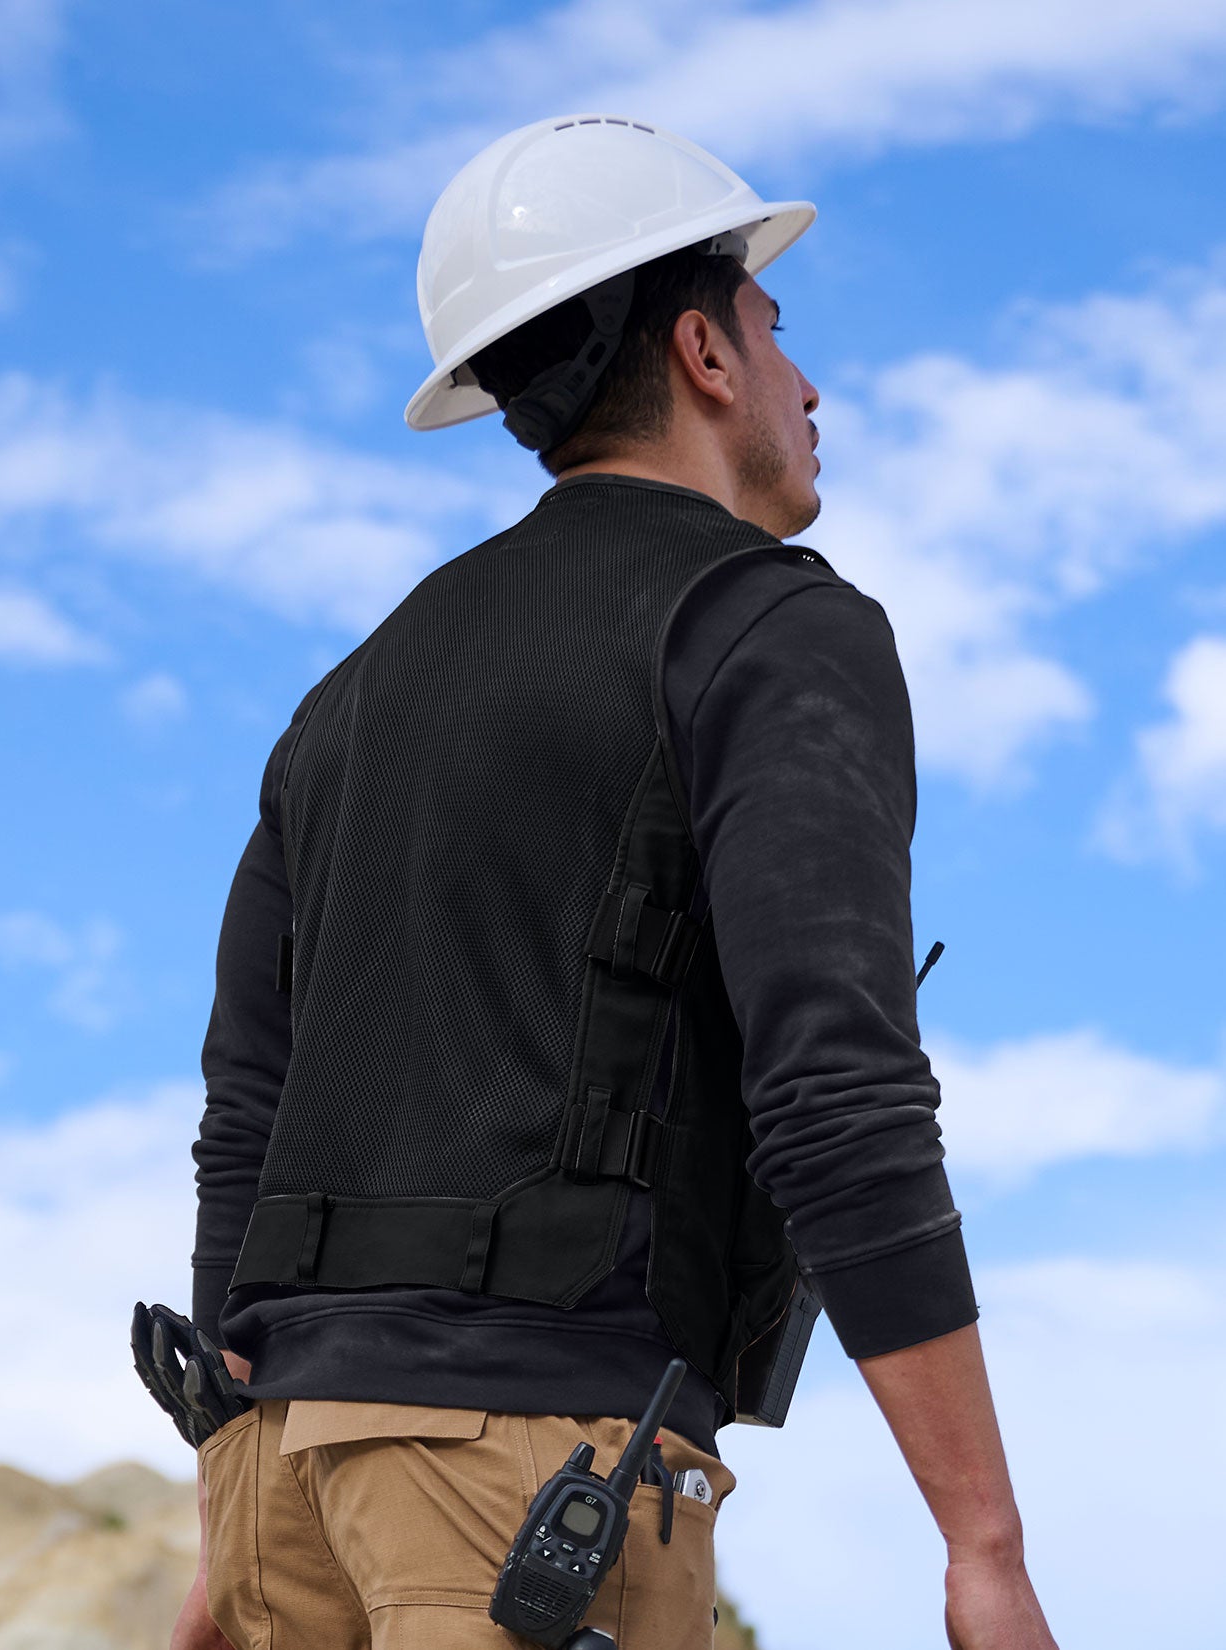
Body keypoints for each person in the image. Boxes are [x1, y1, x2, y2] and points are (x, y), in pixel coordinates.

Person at [174, 116, 1059, 1650]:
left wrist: (230, 1503)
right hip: (528, 1498)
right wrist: (983, 1543)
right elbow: (838, 1089)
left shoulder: (347, 698)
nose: (810, 381)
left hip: (281, 1485)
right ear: (706, 354)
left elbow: (248, 1115)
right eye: (779, 330)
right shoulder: (773, 631)